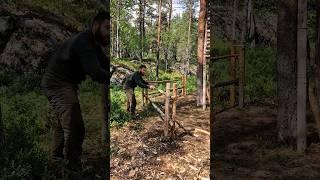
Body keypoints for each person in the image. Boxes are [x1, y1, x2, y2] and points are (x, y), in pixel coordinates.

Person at [41, 12, 116, 172]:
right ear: (96, 25)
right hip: (58, 85)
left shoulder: (92, 43)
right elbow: (95, 72)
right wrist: (112, 79)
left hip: (63, 84)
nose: (109, 32)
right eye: (107, 27)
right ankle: (72, 169)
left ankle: (57, 161)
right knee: (75, 127)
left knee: (64, 123)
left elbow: (104, 62)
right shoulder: (85, 42)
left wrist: (116, 69)